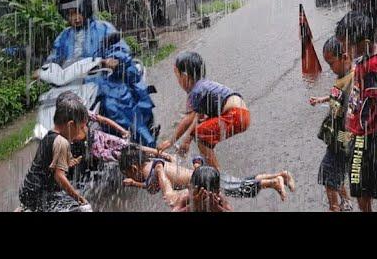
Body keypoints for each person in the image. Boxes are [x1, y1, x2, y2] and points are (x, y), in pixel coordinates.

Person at [41, 0, 157, 147]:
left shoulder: (103, 28)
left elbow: (119, 49)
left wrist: (114, 59)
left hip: (105, 82)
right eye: (70, 13)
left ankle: (144, 150)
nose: (75, 17)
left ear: (86, 10)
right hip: (76, 87)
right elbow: (54, 58)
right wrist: (46, 69)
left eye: (78, 12)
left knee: (116, 108)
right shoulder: (63, 37)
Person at [335, 12, 377, 212]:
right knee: (359, 183)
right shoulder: (368, 57)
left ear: (364, 42)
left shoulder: (373, 66)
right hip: (359, 132)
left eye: (347, 45)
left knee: (360, 187)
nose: (344, 49)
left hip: (366, 137)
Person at [157, 51, 250, 170]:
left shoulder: (195, 91)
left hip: (235, 114)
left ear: (185, 76)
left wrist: (171, 141)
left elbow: (188, 120)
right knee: (203, 133)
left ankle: (216, 175)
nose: (178, 82)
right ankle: (210, 167)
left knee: (201, 137)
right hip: (241, 114)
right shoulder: (202, 87)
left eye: (178, 77)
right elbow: (198, 118)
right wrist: (187, 140)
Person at [118, 148, 294, 206]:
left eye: (129, 174)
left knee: (239, 189)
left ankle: (273, 182)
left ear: (133, 168)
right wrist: (135, 182)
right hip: (201, 175)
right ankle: (281, 175)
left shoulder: (153, 170)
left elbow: (159, 183)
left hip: (203, 182)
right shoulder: (153, 162)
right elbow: (169, 161)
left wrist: (170, 195)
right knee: (237, 182)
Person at [18, 94, 91, 212]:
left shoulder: (49, 136)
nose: (82, 132)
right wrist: (78, 197)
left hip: (28, 191)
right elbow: (59, 177)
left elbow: (46, 164)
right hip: (41, 196)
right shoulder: (62, 142)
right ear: (71, 125)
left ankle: (25, 208)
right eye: (81, 127)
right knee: (85, 208)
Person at [309, 36, 354, 212]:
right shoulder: (344, 76)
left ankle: (334, 208)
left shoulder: (351, 81)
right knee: (336, 175)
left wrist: (344, 142)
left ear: (345, 57)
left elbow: (351, 114)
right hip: (338, 138)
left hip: (342, 139)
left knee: (328, 175)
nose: (330, 68)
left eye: (331, 63)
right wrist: (322, 99)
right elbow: (337, 96)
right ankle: (347, 203)